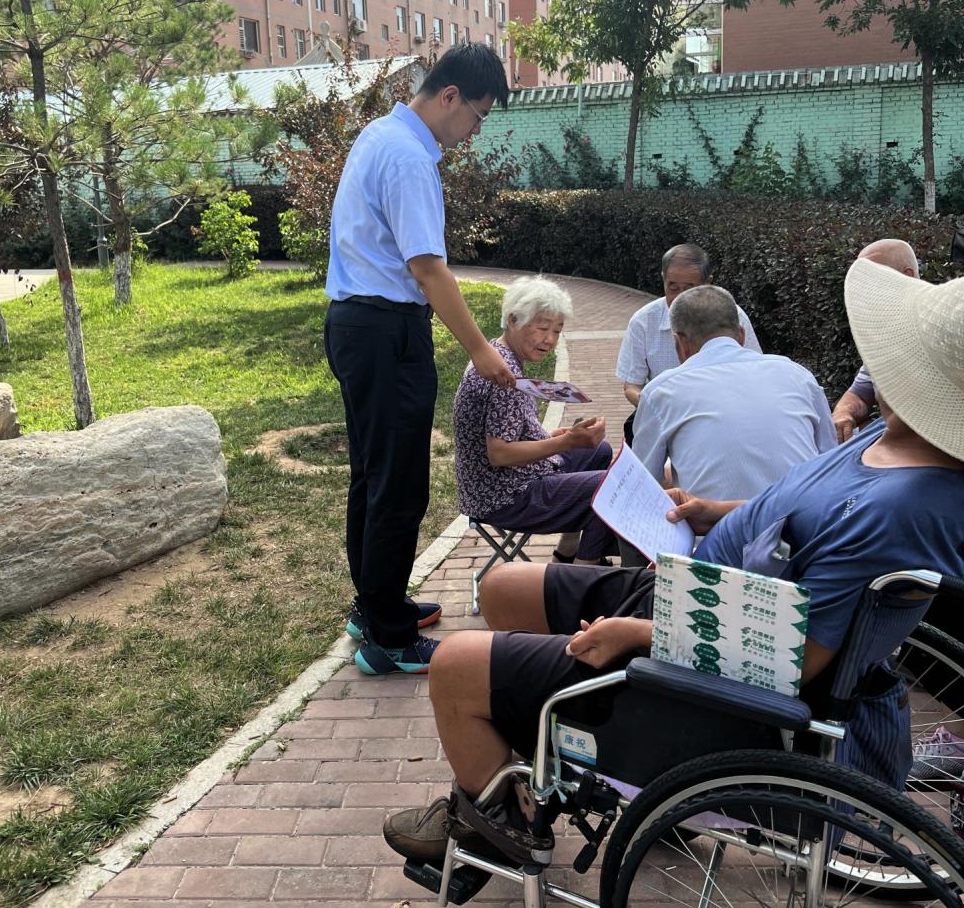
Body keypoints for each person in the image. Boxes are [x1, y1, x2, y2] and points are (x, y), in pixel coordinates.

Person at [382, 259, 964, 862]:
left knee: (454, 664)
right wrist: (717, 513)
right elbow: (804, 514)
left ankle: (505, 825)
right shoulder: (888, 440)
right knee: (502, 586)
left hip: (708, 658)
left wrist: (637, 633)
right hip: (705, 591)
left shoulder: (899, 509)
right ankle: (541, 748)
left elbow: (795, 659)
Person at [324, 44, 515, 679]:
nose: (475, 131)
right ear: (450, 96)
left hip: (356, 325)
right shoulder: (409, 157)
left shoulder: (379, 134)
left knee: (372, 474)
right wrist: (481, 349)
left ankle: (374, 607)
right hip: (387, 332)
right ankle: (389, 639)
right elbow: (428, 269)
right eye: (478, 116)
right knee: (398, 484)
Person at [454, 275, 616, 566]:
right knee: (608, 487)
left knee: (598, 451)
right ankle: (581, 576)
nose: (550, 340)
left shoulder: (498, 355)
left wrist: (554, 437)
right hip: (503, 495)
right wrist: (566, 442)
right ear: (513, 320)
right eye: (542, 328)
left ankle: (566, 553)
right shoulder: (504, 376)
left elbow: (507, 432)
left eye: (557, 331)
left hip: (493, 484)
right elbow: (500, 454)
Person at [633, 284, 836, 499]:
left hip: (714, 520)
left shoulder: (660, 391)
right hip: (808, 516)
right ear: (741, 335)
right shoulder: (798, 375)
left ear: (680, 343)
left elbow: (641, 485)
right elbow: (831, 460)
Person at [616, 243, 761, 441]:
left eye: (689, 289)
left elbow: (754, 374)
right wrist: (656, 407)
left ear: (708, 284)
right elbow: (632, 386)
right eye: (672, 287)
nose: (679, 298)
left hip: (723, 414)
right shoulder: (643, 321)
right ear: (663, 280)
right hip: (666, 416)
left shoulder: (733, 316)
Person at [832, 238, 920, 443]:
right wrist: (844, 413)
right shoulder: (885, 333)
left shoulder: (944, 329)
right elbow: (860, 393)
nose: (861, 291)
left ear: (906, 276)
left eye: (870, 280)